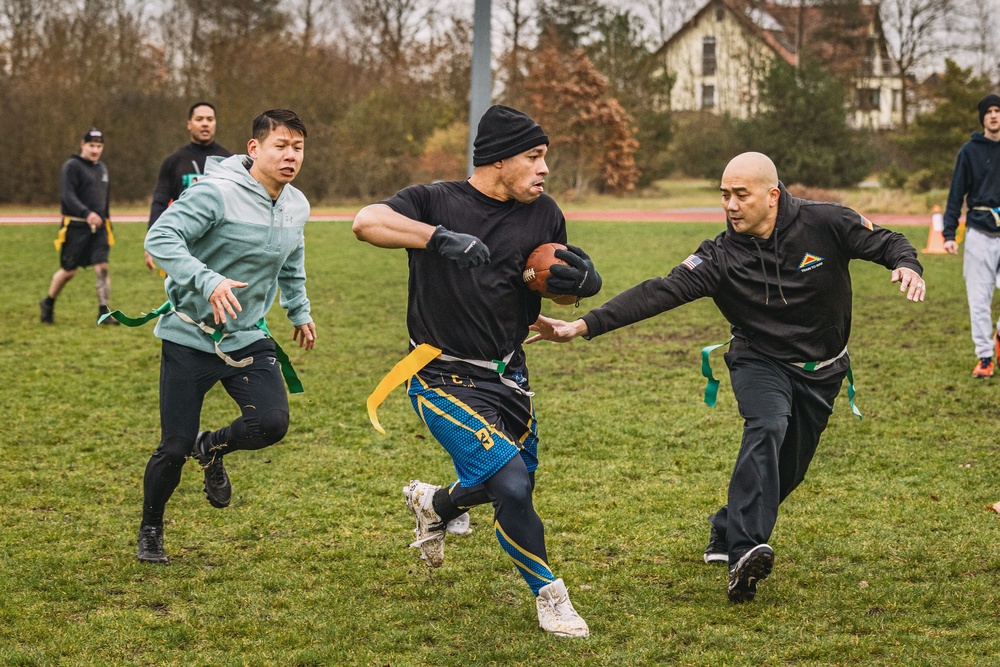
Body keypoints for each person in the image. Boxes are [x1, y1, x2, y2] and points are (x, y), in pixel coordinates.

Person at [527, 152, 925, 603]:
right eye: (724, 195)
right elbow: (660, 291)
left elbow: (889, 242)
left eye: (741, 194)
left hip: (823, 369)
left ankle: (725, 526)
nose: (730, 205)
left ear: (772, 195)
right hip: (760, 360)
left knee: (787, 471)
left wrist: (908, 264)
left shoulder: (825, 222)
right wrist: (581, 325)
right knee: (768, 425)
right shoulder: (718, 256)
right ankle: (745, 552)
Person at [352, 105, 601, 637]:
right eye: (534, 157)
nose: (544, 169)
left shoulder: (544, 212)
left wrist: (578, 283)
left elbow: (545, 281)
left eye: (545, 158)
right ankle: (550, 596)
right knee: (511, 485)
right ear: (498, 158)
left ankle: (436, 503)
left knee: (512, 484)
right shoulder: (434, 200)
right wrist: (438, 238)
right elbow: (365, 222)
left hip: (509, 374)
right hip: (439, 375)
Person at [137, 109, 317, 564]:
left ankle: (211, 447)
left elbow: (292, 263)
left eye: (297, 147)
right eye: (280, 145)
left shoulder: (298, 205)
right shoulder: (215, 193)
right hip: (188, 336)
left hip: (245, 335)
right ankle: (151, 528)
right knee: (172, 448)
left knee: (271, 423)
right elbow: (161, 238)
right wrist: (208, 280)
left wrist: (299, 312)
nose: (290, 155)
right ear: (254, 149)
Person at [942, 93, 1000, 378]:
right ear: (982, 118)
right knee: (979, 300)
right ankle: (985, 357)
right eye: (988, 111)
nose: (994, 115)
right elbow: (956, 195)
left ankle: (998, 336)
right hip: (978, 231)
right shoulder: (969, 152)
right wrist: (949, 233)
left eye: (998, 110)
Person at [40, 128, 118, 325]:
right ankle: (48, 302)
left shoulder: (102, 168)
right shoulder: (72, 166)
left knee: (102, 267)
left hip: (99, 227)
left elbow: (104, 199)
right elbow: (68, 196)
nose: (95, 150)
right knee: (68, 271)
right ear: (82, 145)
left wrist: (106, 220)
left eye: (99, 146)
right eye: (91, 145)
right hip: (76, 226)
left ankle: (104, 312)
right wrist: (87, 213)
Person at [144, 101, 232, 271]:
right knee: (180, 296)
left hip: (219, 246)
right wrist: (153, 238)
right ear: (189, 124)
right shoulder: (173, 162)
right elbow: (160, 202)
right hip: (183, 242)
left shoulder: (229, 161)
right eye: (199, 119)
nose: (205, 123)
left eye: (210, 119)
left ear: (215, 123)